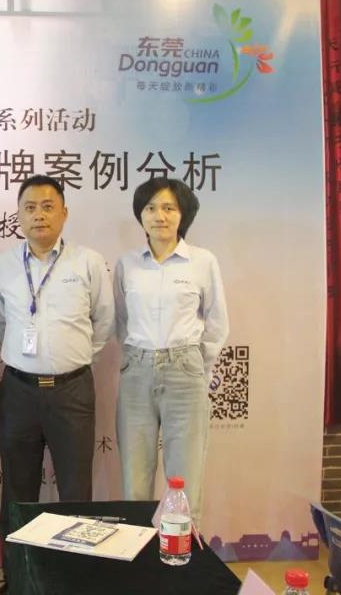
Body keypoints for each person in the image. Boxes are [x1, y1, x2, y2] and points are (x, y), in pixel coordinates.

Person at [0, 174, 114, 594]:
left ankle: (72, 581)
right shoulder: (3, 266)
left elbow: (104, 323)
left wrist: (69, 359)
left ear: (64, 213)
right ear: (18, 215)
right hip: (19, 390)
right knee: (17, 491)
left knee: (75, 490)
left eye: (47, 206)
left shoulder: (88, 263)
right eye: (30, 207)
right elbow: (1, 323)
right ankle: (17, 579)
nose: (38, 215)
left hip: (71, 391)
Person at [114, 177, 228, 524]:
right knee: (135, 476)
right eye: (150, 208)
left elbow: (216, 323)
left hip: (185, 372)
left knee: (185, 477)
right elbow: (121, 320)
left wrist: (196, 367)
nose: (159, 216)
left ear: (183, 215)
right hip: (137, 371)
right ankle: (138, 551)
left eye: (168, 208)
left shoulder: (202, 261)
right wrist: (138, 358)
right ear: (141, 215)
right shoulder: (127, 264)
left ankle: (181, 551)